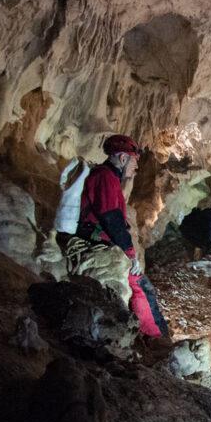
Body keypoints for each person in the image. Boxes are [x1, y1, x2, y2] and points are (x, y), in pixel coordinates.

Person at [70, 134, 168, 338]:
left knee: (142, 284)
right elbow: (111, 218)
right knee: (140, 285)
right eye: (134, 162)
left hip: (104, 240)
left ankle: (155, 333)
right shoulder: (105, 177)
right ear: (123, 159)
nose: (136, 168)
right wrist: (130, 253)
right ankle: (155, 336)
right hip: (100, 242)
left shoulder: (109, 178)